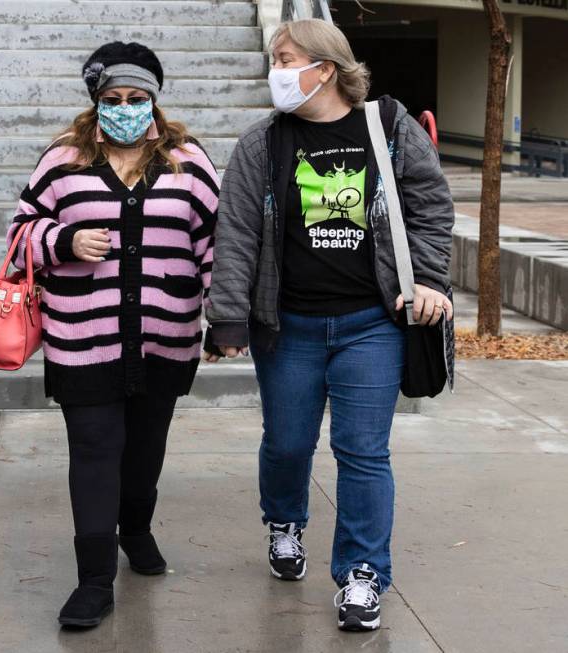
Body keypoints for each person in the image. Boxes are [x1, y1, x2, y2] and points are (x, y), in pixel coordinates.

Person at [203, 19, 453, 632]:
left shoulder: (388, 127)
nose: (278, 72)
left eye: (287, 59)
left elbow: (430, 207)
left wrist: (428, 280)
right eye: (275, 60)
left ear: (327, 67)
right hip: (288, 327)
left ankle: (363, 575)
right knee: (288, 444)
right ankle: (285, 521)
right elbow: (235, 233)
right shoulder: (263, 141)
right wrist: (228, 316)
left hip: (373, 323)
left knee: (363, 451)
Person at [6, 42, 219, 628]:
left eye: (136, 98)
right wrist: (63, 241)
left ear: (154, 100)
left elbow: (213, 245)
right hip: (82, 337)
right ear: (96, 102)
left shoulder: (188, 161)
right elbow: (19, 233)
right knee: (96, 451)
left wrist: (224, 314)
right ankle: (94, 581)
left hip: (165, 336)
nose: (125, 107)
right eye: (112, 98)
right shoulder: (62, 161)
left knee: (146, 449)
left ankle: (138, 528)